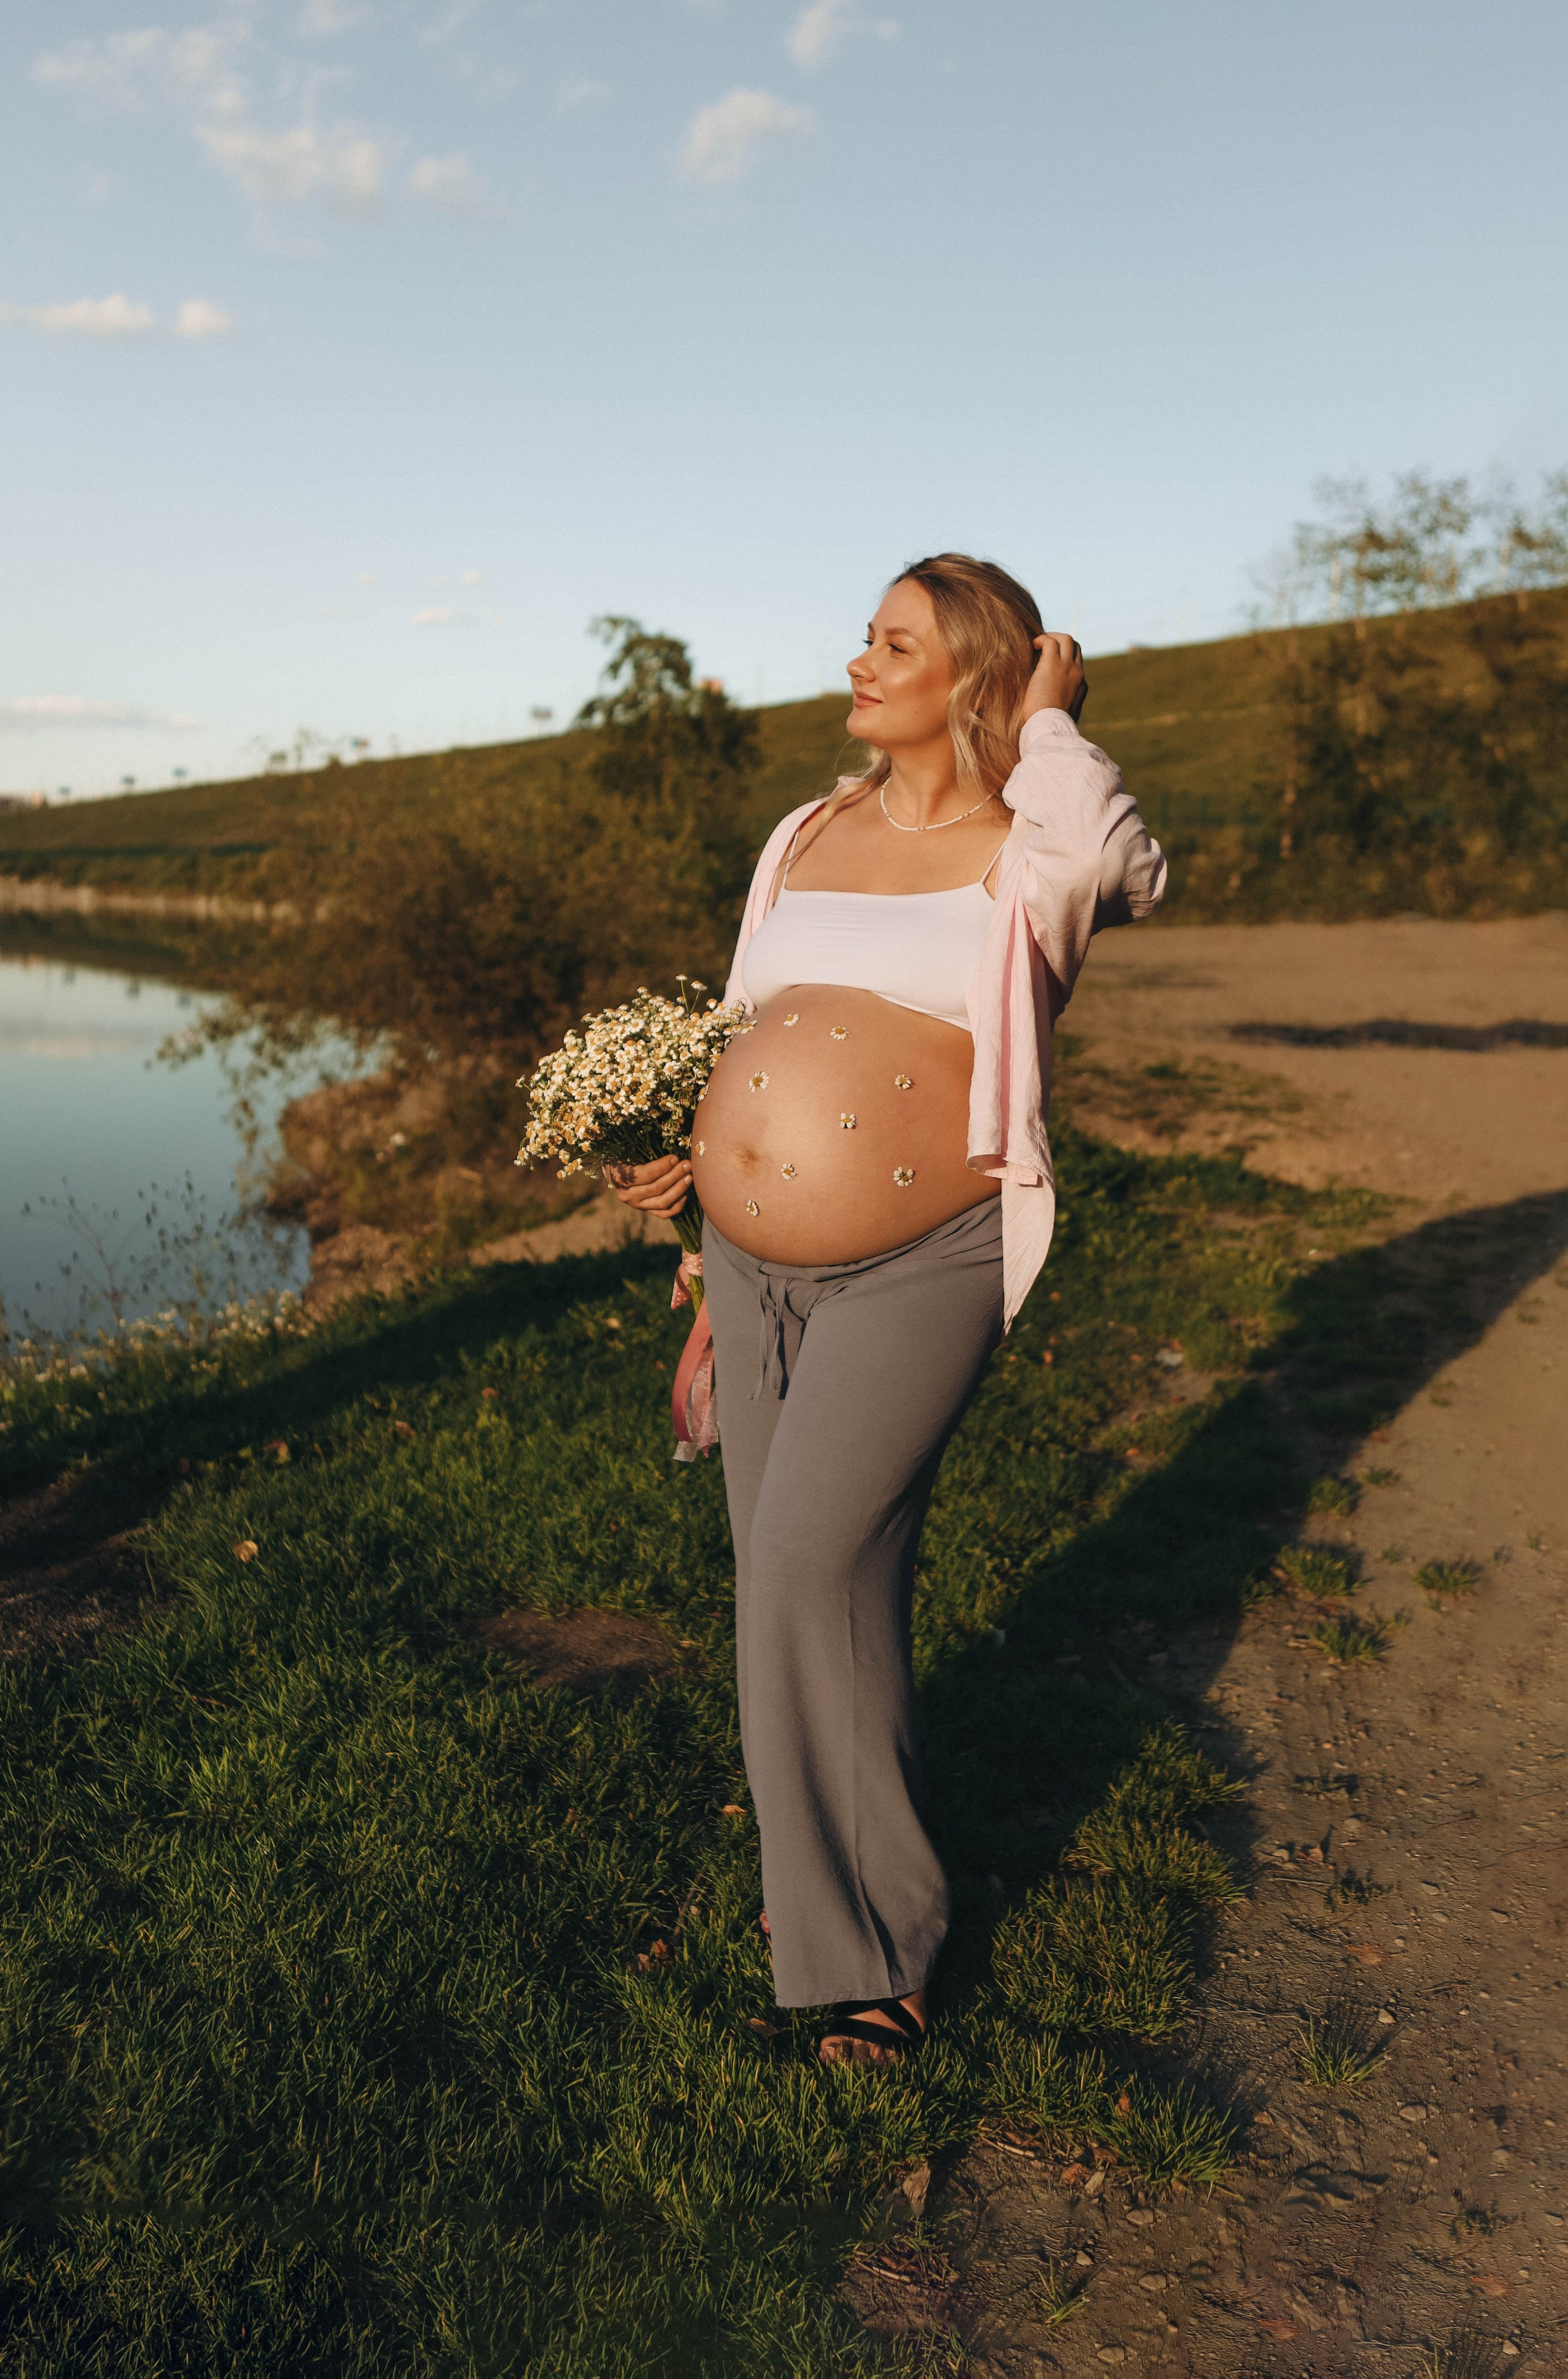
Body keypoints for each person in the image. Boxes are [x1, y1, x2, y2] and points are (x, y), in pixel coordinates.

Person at [608, 554, 1165, 2066]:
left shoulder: (1025, 850)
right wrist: (693, 1180)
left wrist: (1049, 719)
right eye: (862, 636)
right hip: (747, 1259)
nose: (857, 663)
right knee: (789, 1582)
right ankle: (825, 1901)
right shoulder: (804, 830)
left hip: (925, 1256)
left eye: (895, 643)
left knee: (803, 1561)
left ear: (972, 679)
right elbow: (740, 1020)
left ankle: (876, 1955)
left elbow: (1129, 859)